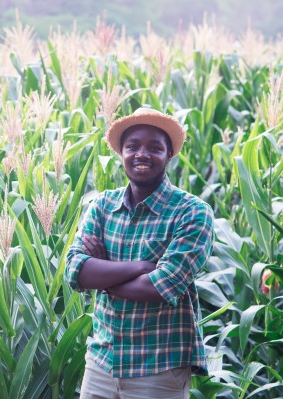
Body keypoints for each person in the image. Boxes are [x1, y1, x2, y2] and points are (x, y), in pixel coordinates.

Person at [65, 107, 214, 399]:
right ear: (121, 153)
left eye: (154, 148)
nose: (141, 154)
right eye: (132, 146)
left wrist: (103, 272)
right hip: (101, 363)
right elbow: (75, 270)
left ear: (169, 155)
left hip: (158, 368)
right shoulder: (102, 206)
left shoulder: (192, 212)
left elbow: (161, 286)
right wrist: (142, 266)